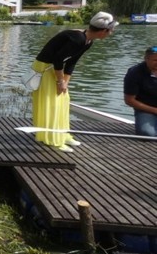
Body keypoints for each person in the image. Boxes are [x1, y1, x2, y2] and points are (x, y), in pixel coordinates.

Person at [30, 11, 118, 151]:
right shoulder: (78, 39)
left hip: (55, 68)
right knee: (52, 104)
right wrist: (60, 82)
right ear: (103, 31)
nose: (111, 33)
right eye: (110, 31)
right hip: (45, 68)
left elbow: (71, 62)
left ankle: (63, 134)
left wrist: (65, 83)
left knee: (64, 100)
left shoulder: (88, 41)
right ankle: (52, 139)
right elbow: (58, 59)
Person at [123, 45, 157, 136]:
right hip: (147, 110)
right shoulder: (135, 72)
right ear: (146, 59)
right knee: (147, 134)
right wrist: (154, 110)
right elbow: (129, 100)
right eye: (155, 60)